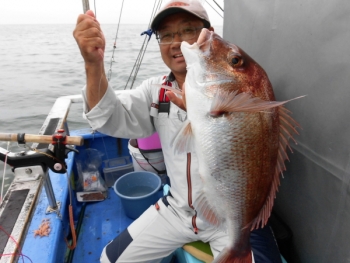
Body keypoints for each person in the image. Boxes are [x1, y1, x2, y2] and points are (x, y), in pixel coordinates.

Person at [73, 0, 283, 262]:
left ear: (209, 31)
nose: (176, 41)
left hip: (234, 218)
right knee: (109, 260)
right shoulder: (155, 90)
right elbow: (106, 118)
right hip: (178, 210)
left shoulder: (243, 96)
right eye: (167, 35)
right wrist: (93, 64)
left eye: (188, 30)